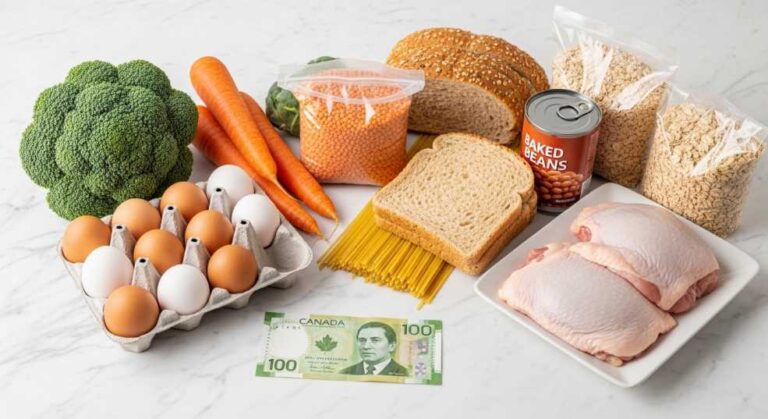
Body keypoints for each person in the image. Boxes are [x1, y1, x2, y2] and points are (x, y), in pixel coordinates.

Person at [339, 322, 408, 376]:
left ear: (391, 346)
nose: (366, 346)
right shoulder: (345, 372)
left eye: (375, 340)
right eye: (362, 340)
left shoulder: (404, 373)